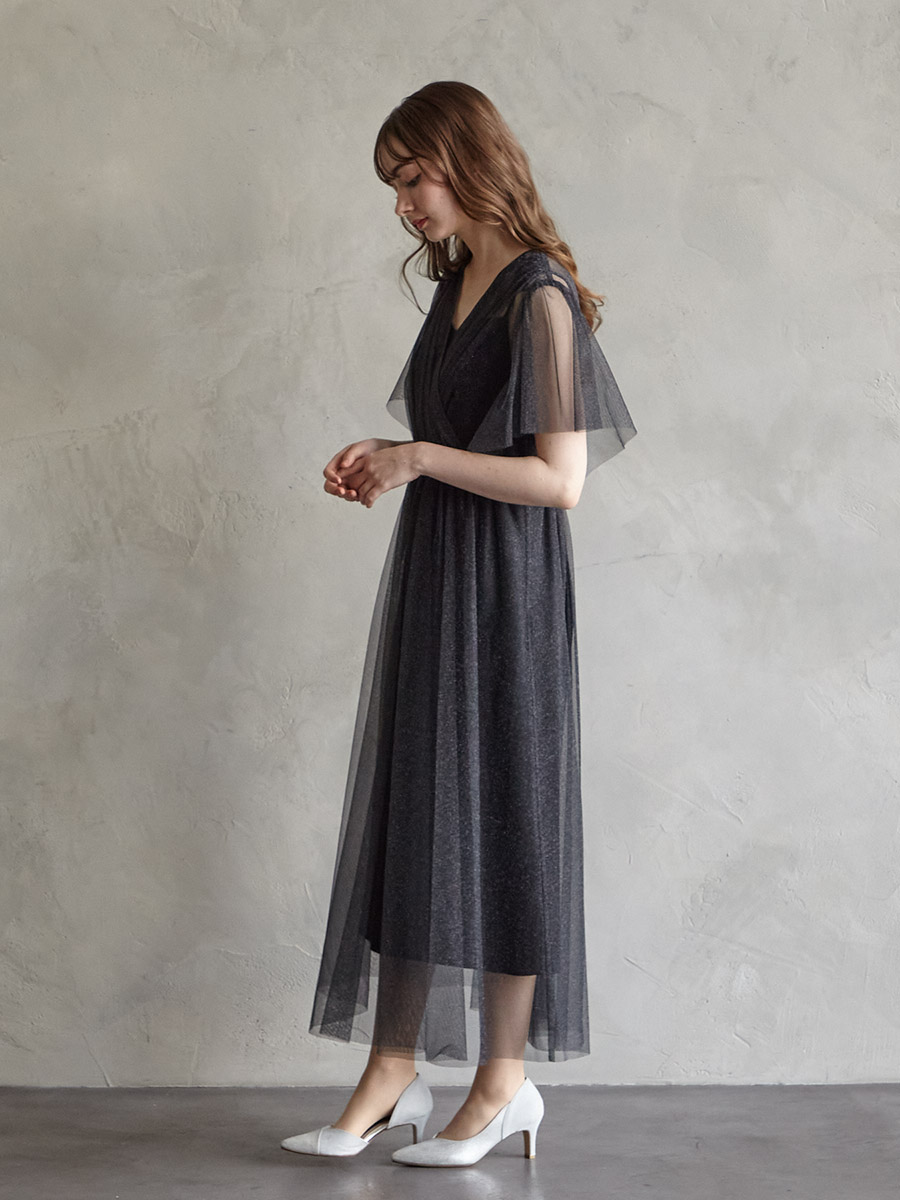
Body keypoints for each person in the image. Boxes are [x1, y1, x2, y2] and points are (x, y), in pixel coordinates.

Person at [281, 81, 637, 1167]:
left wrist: (421, 457)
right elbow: (443, 440)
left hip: (509, 591)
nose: (403, 202)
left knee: (510, 816)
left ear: (469, 160)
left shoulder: (541, 295)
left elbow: (561, 481)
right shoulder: (455, 285)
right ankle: (392, 1071)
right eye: (393, 184)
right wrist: (386, 458)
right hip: (440, 572)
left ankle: (502, 1083)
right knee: (419, 807)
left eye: (414, 176)